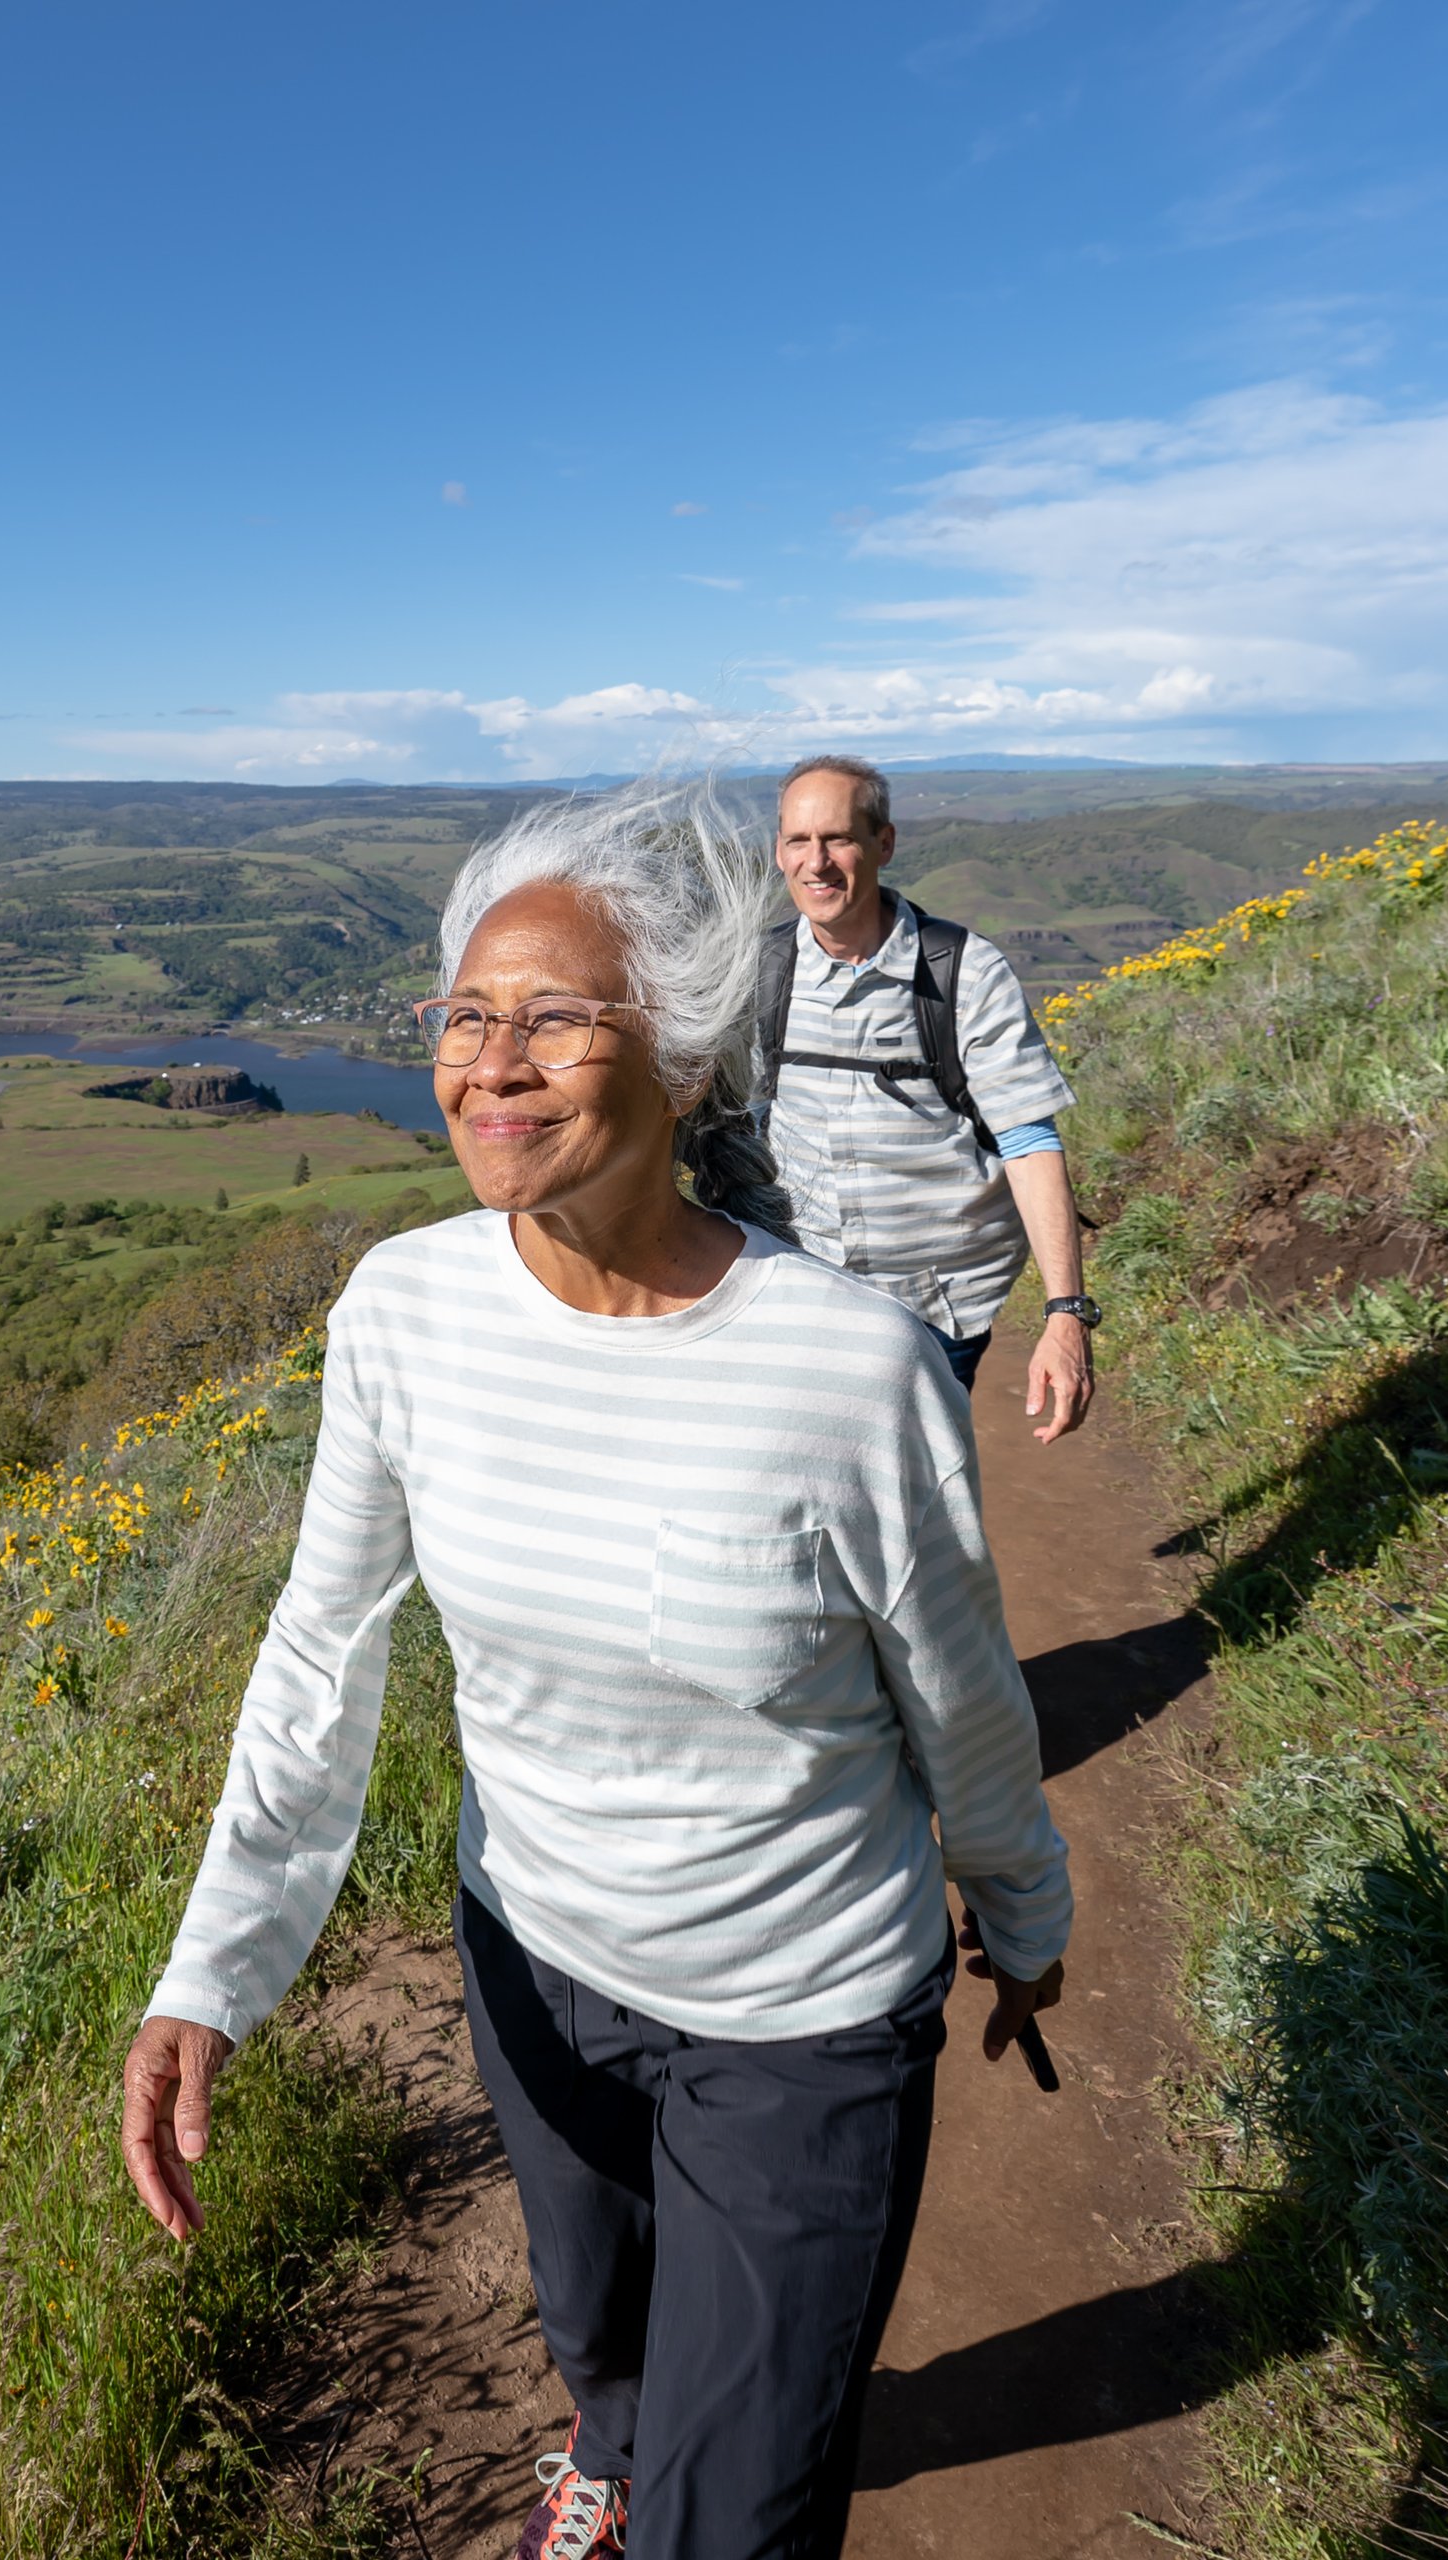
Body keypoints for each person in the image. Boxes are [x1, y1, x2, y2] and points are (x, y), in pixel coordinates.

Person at [117, 781, 1073, 2560]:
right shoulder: (403, 1312)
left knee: (744, 2509)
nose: (496, 1060)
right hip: (531, 1957)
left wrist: (1021, 1921)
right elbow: (320, 1653)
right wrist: (215, 1971)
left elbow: (962, 1704)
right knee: (599, 2332)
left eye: (556, 1014)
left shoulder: (847, 1377)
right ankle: (608, 2443)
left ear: (684, 1062)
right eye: (468, 1015)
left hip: (797, 2016)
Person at [760, 754, 1098, 1438]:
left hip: (934, 1304)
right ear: (778, 851)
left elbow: (1028, 1141)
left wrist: (1067, 1312)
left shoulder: (965, 973)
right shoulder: (760, 971)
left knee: (903, 1489)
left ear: (883, 843)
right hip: (797, 1292)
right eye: (799, 840)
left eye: (839, 838)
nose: (816, 863)